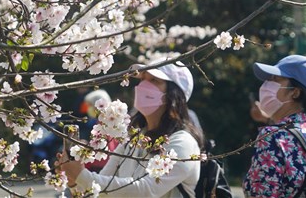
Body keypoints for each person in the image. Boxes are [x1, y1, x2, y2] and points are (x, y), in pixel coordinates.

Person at [57, 59, 204, 197]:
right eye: (142, 79)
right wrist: (73, 180)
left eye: (154, 80)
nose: (143, 86)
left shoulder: (183, 142)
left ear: (173, 94)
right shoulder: (132, 140)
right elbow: (101, 190)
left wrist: (82, 175)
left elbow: (146, 190)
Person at [243, 55, 306, 198]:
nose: (266, 85)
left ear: (295, 92)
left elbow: (262, 194)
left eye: (275, 80)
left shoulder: (272, 136)